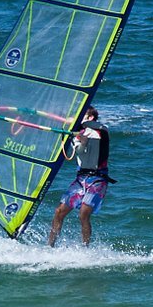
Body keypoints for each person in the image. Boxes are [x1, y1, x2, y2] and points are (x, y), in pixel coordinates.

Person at [47, 104, 111, 246]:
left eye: (82, 116)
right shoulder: (77, 134)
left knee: (83, 213)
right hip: (81, 178)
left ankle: (85, 248)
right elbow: (80, 151)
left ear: (91, 117)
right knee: (59, 211)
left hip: (98, 179)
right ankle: (49, 246)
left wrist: (78, 124)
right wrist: (81, 139)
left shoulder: (101, 131)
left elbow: (96, 131)